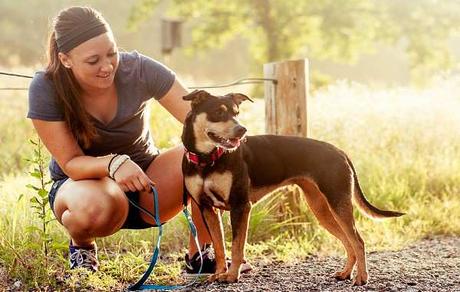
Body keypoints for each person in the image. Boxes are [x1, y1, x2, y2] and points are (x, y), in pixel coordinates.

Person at [27, 6, 250, 275]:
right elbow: (71, 162)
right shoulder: (45, 86)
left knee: (206, 153)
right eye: (93, 60)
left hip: (149, 182)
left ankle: (203, 253)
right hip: (83, 187)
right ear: (65, 59)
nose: (107, 66)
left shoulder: (140, 69)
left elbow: (200, 124)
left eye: (112, 53)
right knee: (93, 207)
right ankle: (83, 247)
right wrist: (114, 163)